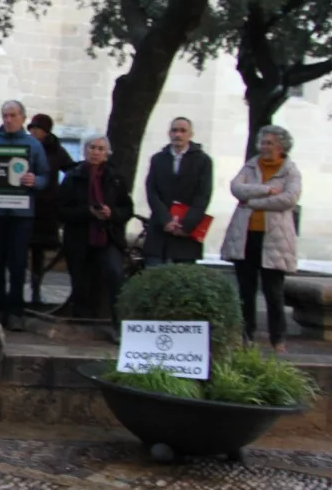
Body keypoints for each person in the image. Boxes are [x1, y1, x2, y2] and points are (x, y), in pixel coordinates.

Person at [220, 125, 302, 353]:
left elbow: (288, 199)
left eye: (269, 143)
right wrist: (266, 191)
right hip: (246, 237)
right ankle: (246, 336)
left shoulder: (290, 171)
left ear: (281, 147)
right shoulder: (250, 165)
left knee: (273, 292)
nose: (264, 147)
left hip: (274, 240)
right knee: (245, 290)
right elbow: (237, 188)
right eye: (262, 143)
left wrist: (253, 201)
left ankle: (279, 340)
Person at [0, 100, 50, 330]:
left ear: (22, 118)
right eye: (5, 115)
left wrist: (34, 181)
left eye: (12, 115)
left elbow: (46, 176)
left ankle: (16, 308)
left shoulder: (34, 146)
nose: (8, 120)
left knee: (18, 262)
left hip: (21, 212)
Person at [58, 134, 135, 318]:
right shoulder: (72, 177)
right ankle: (82, 321)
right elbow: (61, 210)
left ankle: (117, 322)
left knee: (115, 274)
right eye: (92, 147)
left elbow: (127, 209)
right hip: (79, 238)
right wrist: (88, 212)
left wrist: (112, 213)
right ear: (85, 151)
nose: (95, 152)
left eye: (100, 149)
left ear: (106, 153)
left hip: (108, 237)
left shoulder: (115, 178)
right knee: (81, 281)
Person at [143, 117, 214, 266]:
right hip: (160, 227)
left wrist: (186, 224)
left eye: (183, 131)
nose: (178, 135)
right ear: (169, 133)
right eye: (175, 130)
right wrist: (166, 220)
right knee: (153, 275)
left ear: (190, 134)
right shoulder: (158, 159)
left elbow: (203, 195)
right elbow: (151, 191)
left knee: (183, 280)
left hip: (186, 230)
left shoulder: (203, 161)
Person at [26, 114, 75, 308]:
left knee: (39, 252)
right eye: (32, 127)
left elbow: (70, 169)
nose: (34, 131)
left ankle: (36, 291)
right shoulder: (26, 146)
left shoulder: (56, 150)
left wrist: (61, 192)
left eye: (38, 128)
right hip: (26, 204)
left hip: (46, 208)